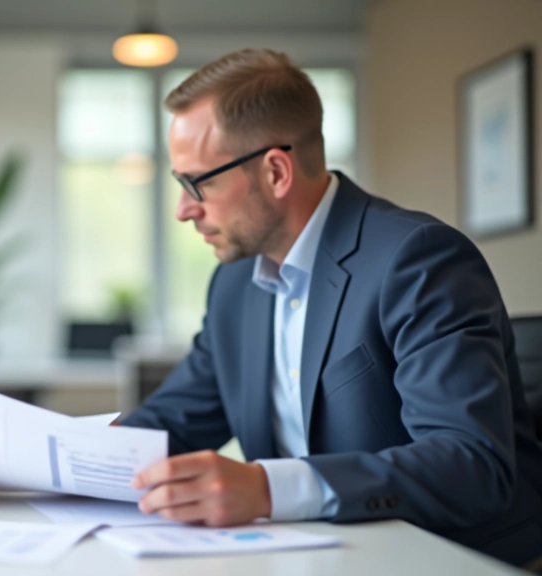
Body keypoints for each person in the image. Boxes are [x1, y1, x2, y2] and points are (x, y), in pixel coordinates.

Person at [121, 49, 542, 566]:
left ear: (276, 172)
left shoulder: (417, 259)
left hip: (446, 557)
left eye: (197, 183)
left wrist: (267, 488)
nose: (185, 209)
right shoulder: (234, 283)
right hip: (311, 556)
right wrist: (49, 459)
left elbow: (471, 464)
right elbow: (175, 420)